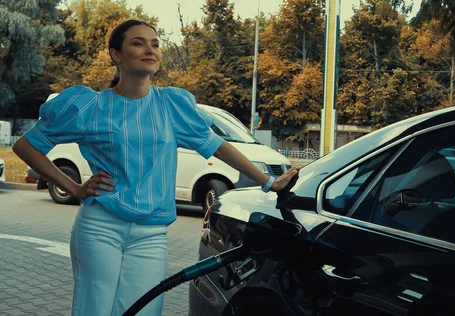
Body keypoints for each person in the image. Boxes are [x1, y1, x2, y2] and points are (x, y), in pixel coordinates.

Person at [12, 19, 298, 315]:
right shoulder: (90, 107)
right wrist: (73, 187)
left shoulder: (171, 105)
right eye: (138, 43)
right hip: (100, 227)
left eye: (155, 43)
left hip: (151, 234)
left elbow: (217, 146)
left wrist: (269, 182)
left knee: (144, 311)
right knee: (94, 310)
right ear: (116, 55)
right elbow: (26, 146)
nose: (150, 49)